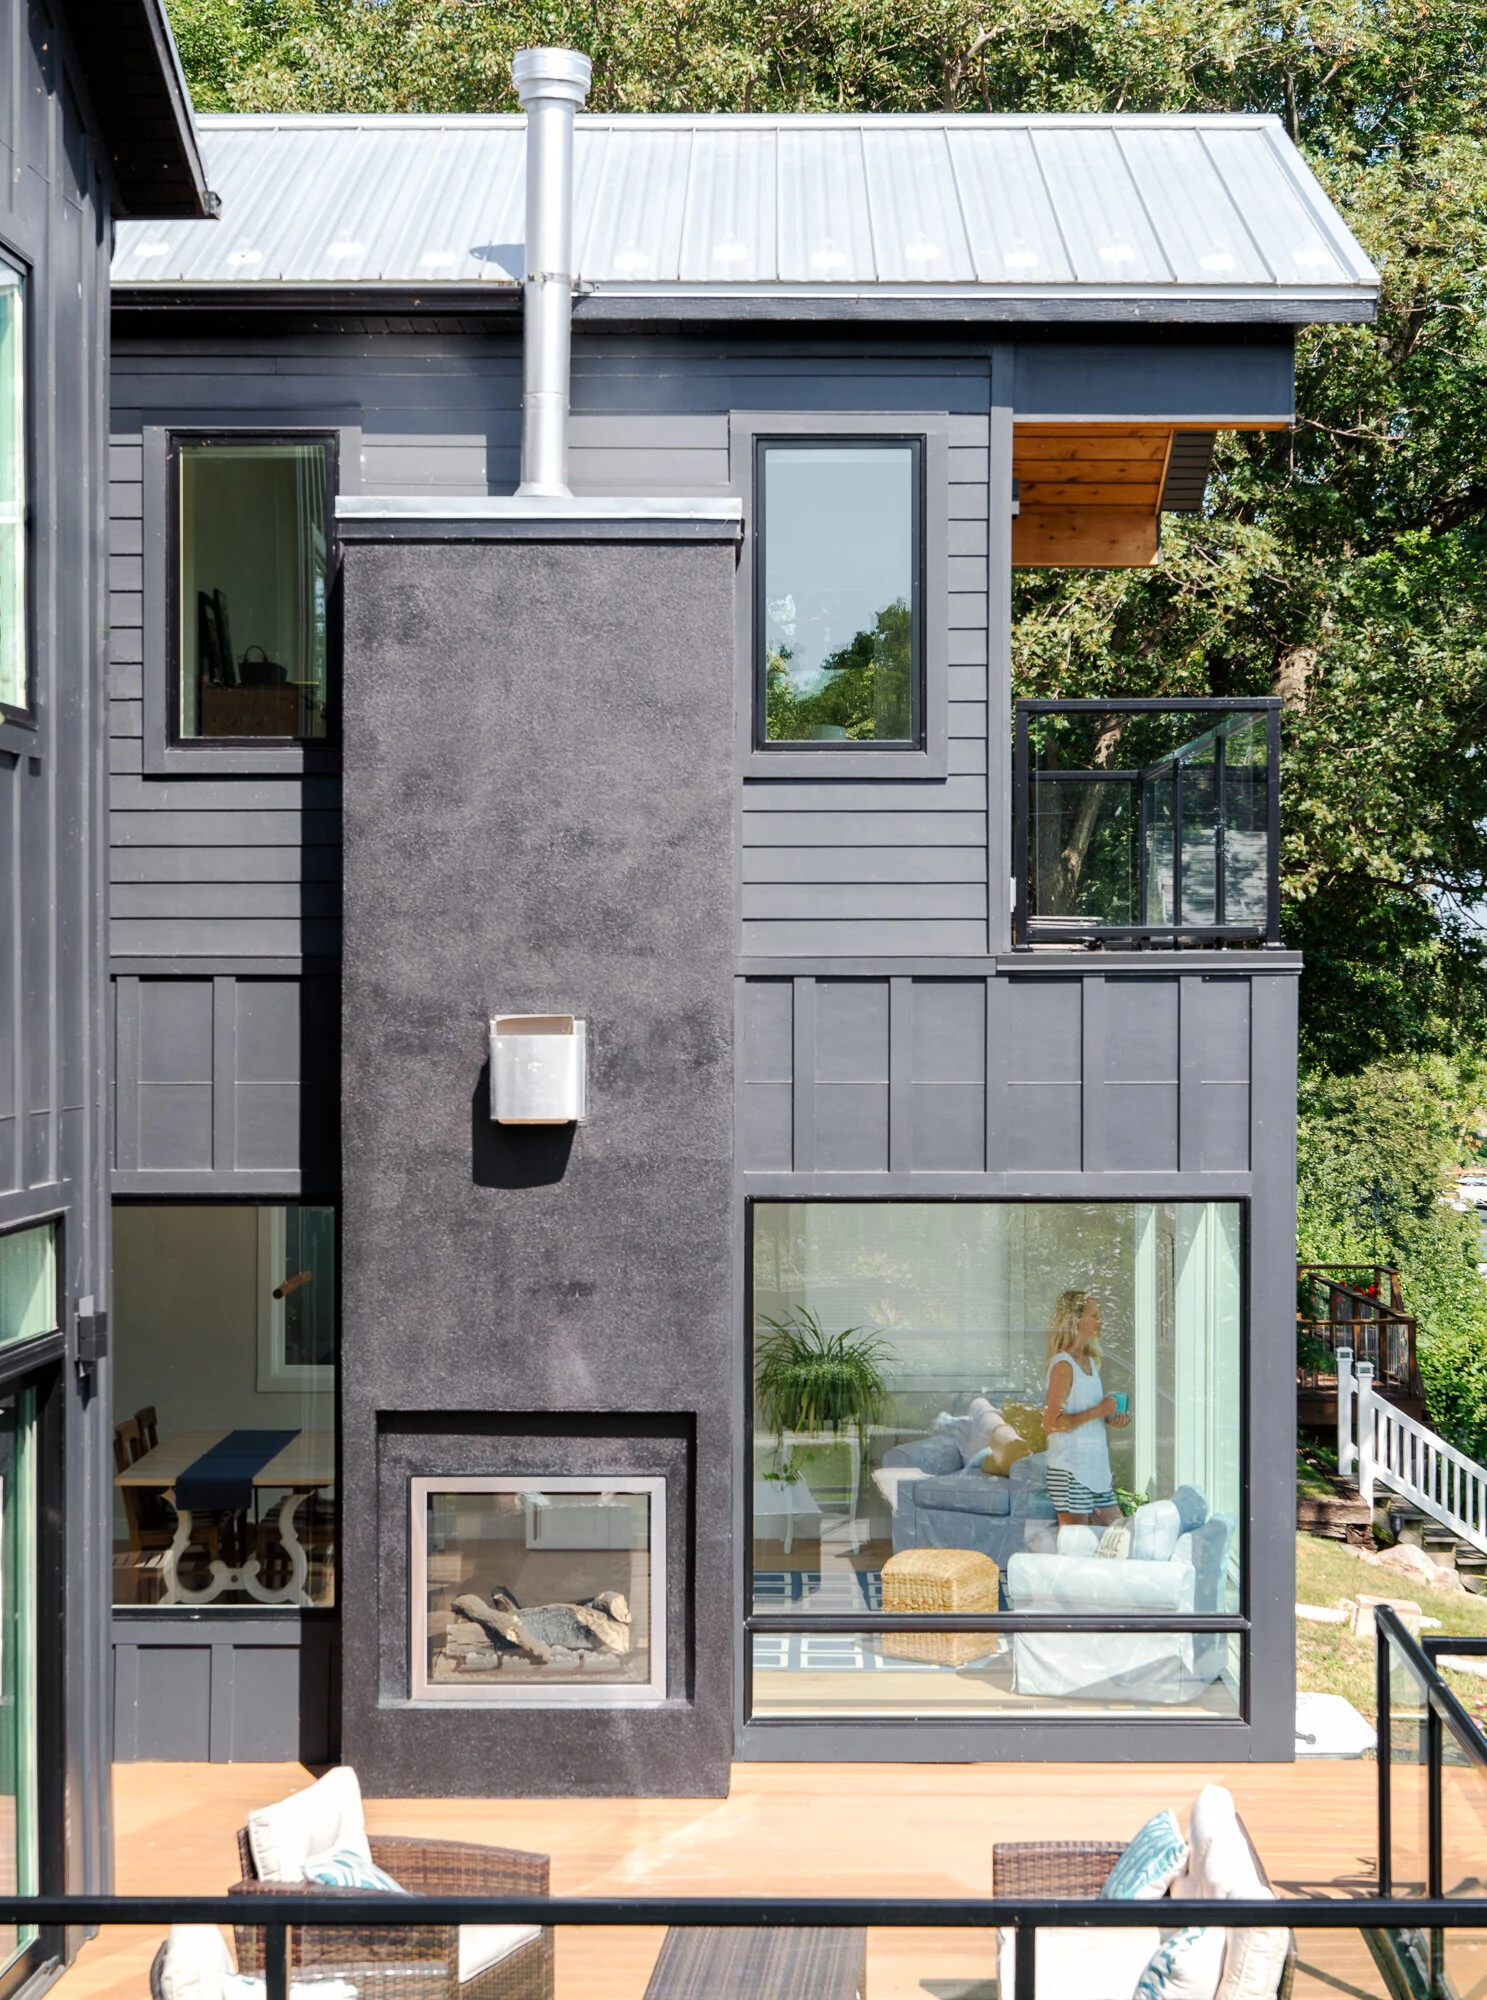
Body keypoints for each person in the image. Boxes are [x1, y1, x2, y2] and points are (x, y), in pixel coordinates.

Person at [1040, 1290, 1129, 1527]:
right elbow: (1050, 1423)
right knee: (1076, 1548)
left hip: (1096, 1470)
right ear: (1075, 1320)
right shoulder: (1063, 1365)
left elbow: (1086, 1414)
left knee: (1117, 1538)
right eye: (1094, 1315)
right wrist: (1098, 1411)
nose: (1100, 1321)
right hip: (1071, 1470)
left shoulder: (1089, 1361)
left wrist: (1109, 1417)